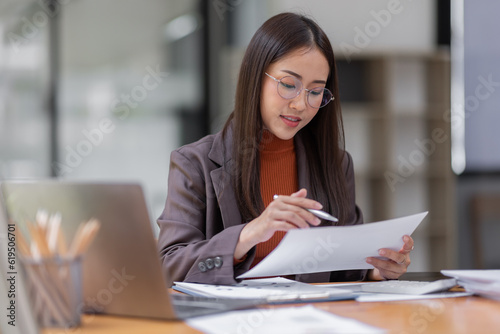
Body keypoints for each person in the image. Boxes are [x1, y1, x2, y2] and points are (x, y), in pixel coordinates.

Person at [157, 12, 414, 285]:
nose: (301, 105)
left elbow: (342, 268)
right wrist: (249, 234)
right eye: (289, 85)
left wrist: (377, 269)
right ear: (255, 78)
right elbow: (169, 266)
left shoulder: (336, 164)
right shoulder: (194, 163)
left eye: (315, 92)